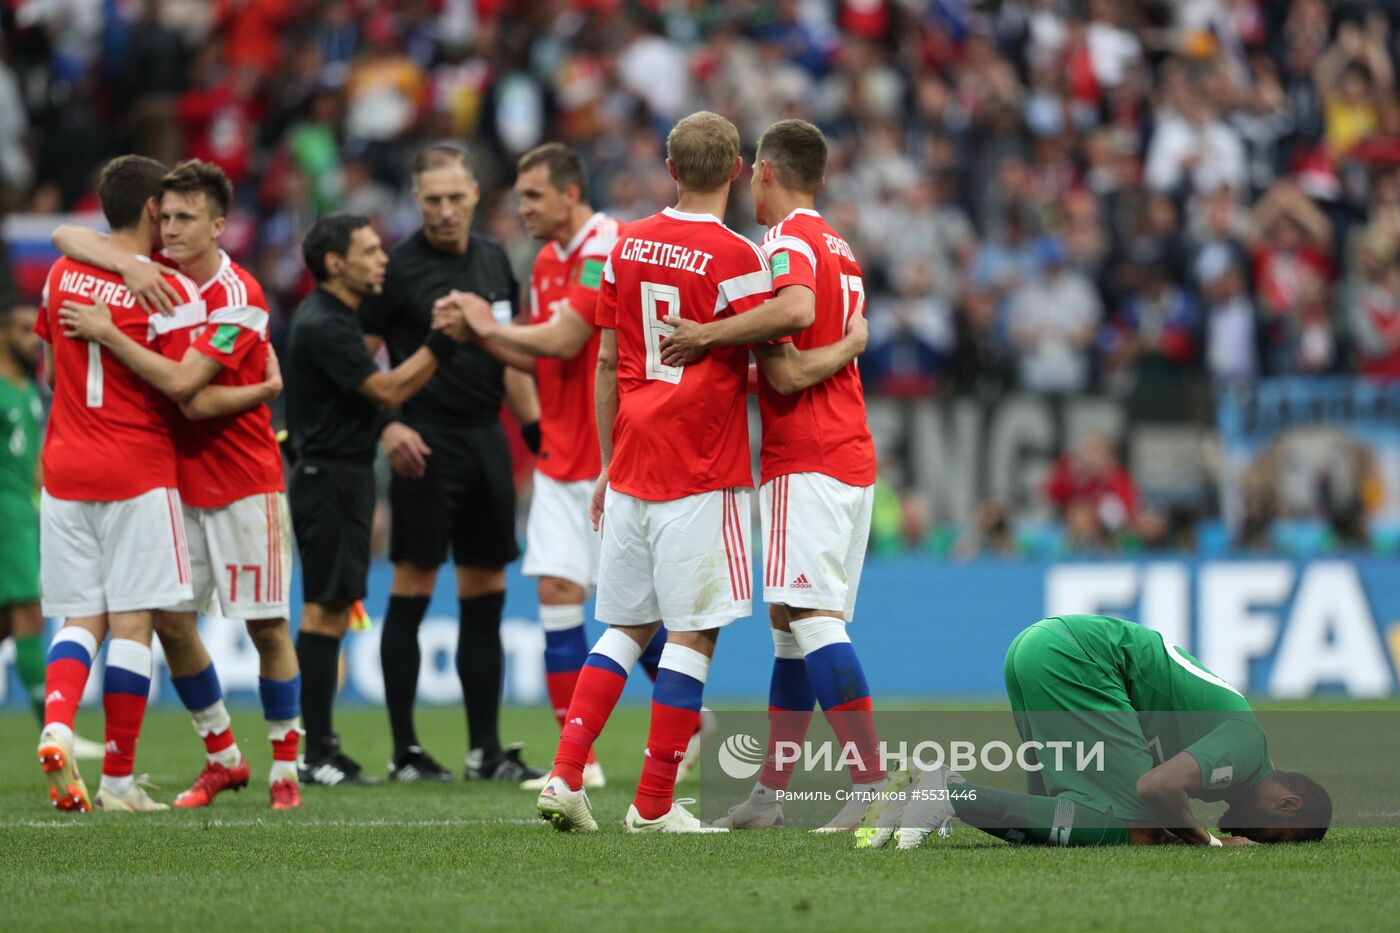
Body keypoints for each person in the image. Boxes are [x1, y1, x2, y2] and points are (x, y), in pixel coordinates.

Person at [534, 110, 810, 834]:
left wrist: (605, 461)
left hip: (629, 462)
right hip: (701, 469)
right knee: (692, 634)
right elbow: (785, 320)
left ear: (669, 167)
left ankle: (565, 775)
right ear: (736, 170)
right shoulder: (736, 254)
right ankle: (654, 803)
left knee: (623, 627)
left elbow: (602, 362)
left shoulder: (622, 245)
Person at [53, 159, 301, 810]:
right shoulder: (149, 278)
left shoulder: (236, 296)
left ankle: (285, 770)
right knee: (167, 619)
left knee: (267, 627)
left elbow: (189, 393)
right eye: (165, 216)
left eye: (187, 217)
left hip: (245, 481)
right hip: (171, 481)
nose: (171, 227)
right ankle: (222, 754)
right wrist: (130, 266)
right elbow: (66, 237)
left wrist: (108, 331)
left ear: (219, 226)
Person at [656, 118, 881, 833]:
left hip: (807, 457)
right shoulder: (841, 247)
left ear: (767, 173)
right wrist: (844, 347)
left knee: (810, 616)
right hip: (849, 454)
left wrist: (707, 339)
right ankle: (770, 794)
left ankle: (874, 781)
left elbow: (790, 342)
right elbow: (802, 353)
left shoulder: (784, 243)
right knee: (791, 622)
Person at [359, 144, 544, 784]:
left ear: (473, 194)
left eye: (455, 197)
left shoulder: (494, 259)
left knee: (486, 593)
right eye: (432, 198)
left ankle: (485, 751)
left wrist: (536, 435)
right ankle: (405, 749)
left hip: (485, 439)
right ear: (416, 199)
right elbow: (358, 366)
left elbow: (511, 357)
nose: (444, 210)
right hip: (424, 442)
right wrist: (388, 428)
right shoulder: (397, 269)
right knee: (411, 588)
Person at [33, 155, 204, 813]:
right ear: (154, 209)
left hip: (66, 465)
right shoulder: (169, 288)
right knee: (132, 622)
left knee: (82, 615)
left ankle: (56, 721)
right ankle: (118, 782)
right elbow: (185, 387)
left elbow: (51, 369)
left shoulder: (58, 273)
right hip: (137, 466)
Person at [860, 614, 1332, 849]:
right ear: (1287, 804)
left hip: (1037, 647)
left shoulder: (1241, 752)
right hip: (1078, 660)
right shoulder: (1247, 746)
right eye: (1278, 836)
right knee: (1136, 832)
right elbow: (1155, 787)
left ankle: (930, 787)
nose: (1263, 841)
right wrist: (1206, 844)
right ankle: (947, 791)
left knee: (1058, 826)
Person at [285, 213, 470, 786]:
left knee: (334, 606)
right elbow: (387, 390)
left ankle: (322, 747)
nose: (382, 258)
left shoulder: (336, 318)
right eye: (368, 250)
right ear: (336, 263)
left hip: (342, 473)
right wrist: (443, 340)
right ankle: (315, 752)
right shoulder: (325, 324)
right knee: (322, 609)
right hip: (328, 476)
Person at [0, 298, 103, 757]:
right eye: (24, 331)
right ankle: (53, 728)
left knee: (10, 621)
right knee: (28, 612)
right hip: (6, 513)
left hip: (25, 509)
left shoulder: (27, 390)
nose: (33, 341)